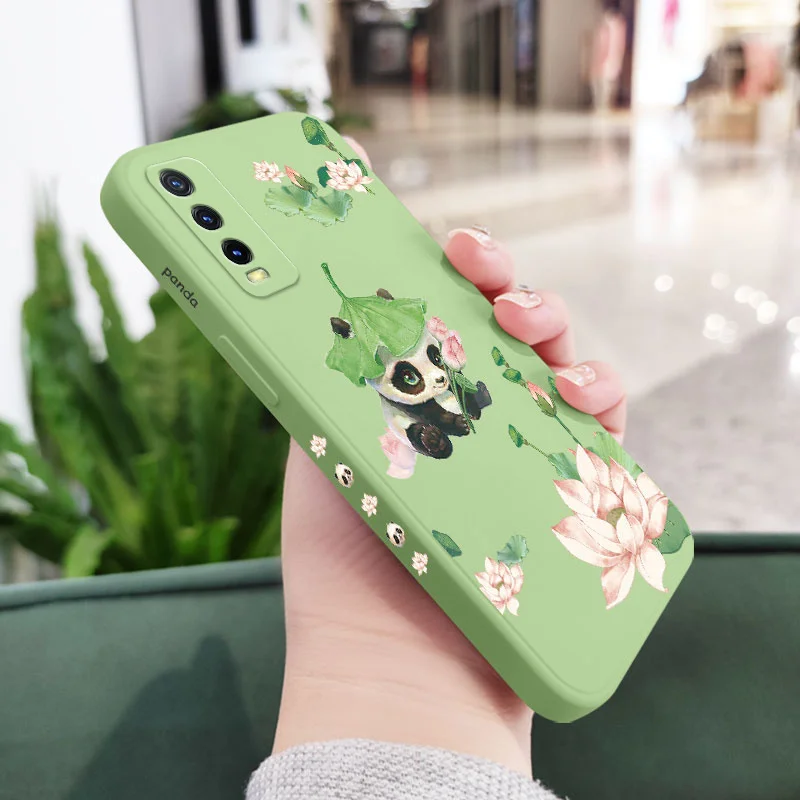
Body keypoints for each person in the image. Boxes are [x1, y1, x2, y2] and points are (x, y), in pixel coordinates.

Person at [246, 138, 627, 800]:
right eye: (405, 374)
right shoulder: (395, 423)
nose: (427, 373)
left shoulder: (443, 379)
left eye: (430, 356)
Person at [590, 1, 627, 112]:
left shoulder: (608, 22)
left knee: (602, 93)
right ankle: (603, 110)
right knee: (605, 93)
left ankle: (602, 110)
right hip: (610, 63)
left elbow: (604, 44)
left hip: (605, 63)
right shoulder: (619, 23)